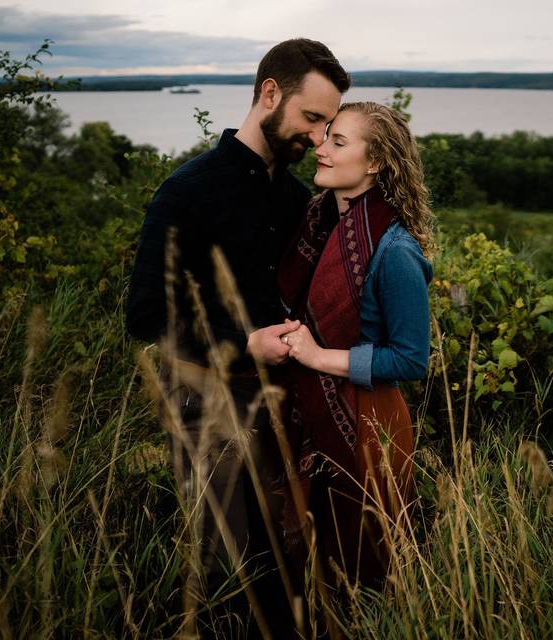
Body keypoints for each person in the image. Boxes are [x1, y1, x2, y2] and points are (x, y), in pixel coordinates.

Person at [125, 39, 349, 638]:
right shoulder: (188, 191)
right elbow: (146, 315)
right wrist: (243, 343)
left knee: (294, 567)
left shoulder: (301, 199)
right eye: (311, 119)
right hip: (209, 409)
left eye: (330, 126)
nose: (318, 137)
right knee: (228, 574)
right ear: (269, 94)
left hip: (287, 407)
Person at [276, 102, 435, 591]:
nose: (320, 150)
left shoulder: (395, 250)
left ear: (374, 163)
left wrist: (319, 357)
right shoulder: (319, 222)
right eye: (325, 137)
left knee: (363, 564)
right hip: (307, 406)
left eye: (337, 142)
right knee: (308, 564)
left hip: (367, 423)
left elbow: (411, 358)